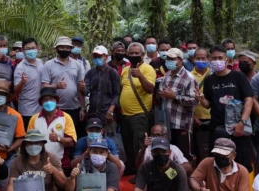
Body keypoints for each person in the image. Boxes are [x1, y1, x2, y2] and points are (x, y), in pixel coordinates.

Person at [200, 47, 256, 172]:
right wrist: (201, 99)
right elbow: (208, 105)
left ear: (227, 60)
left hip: (237, 127)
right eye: (214, 58)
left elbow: (249, 99)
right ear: (209, 60)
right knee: (219, 163)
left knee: (241, 164)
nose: (217, 61)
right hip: (217, 127)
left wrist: (242, 122)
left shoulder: (238, 76)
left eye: (220, 58)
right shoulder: (209, 80)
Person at [155, 47, 198, 161]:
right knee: (169, 155)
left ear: (180, 60)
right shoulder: (167, 75)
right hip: (167, 122)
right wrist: (161, 95)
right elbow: (163, 96)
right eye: (168, 58)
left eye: (172, 59)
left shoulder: (189, 78)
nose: (169, 61)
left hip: (181, 123)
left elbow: (194, 101)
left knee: (183, 156)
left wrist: (175, 97)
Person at [119, 42, 156, 174]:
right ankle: (131, 169)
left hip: (139, 115)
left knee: (139, 146)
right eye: (131, 53)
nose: (134, 55)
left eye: (137, 53)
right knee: (128, 145)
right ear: (127, 54)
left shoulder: (148, 69)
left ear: (142, 54)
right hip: (125, 115)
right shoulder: (125, 70)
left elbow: (151, 89)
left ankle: (141, 173)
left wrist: (140, 75)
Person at [43, 36, 87, 136]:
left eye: (67, 47)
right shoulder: (48, 65)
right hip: (55, 108)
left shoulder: (77, 65)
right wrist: (56, 85)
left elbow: (79, 88)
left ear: (70, 49)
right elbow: (44, 87)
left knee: (71, 136)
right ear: (57, 48)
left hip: (74, 108)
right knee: (56, 135)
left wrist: (82, 108)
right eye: (62, 47)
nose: (65, 49)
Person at [30, 86, 77, 167]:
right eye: (45, 100)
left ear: (56, 100)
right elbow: (29, 142)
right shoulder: (34, 119)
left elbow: (71, 142)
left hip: (61, 164)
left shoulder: (66, 117)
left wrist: (58, 139)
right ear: (41, 102)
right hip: (40, 164)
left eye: (51, 99)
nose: (48, 102)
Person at [84, 45, 120, 129]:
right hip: (93, 112)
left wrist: (111, 110)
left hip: (107, 112)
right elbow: (86, 91)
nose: (97, 58)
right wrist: (83, 88)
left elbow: (117, 94)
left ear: (106, 57)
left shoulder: (112, 73)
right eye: (95, 56)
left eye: (99, 56)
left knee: (108, 134)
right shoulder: (90, 73)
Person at [13, 38, 46, 123]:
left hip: (41, 109)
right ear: (23, 51)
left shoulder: (40, 62)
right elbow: (16, 90)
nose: (31, 51)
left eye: (33, 48)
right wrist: (22, 82)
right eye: (28, 49)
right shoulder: (20, 68)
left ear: (37, 48)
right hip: (27, 111)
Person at [190, 46, 211, 163]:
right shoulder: (189, 76)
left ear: (208, 59)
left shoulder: (213, 74)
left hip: (212, 117)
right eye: (198, 58)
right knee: (198, 150)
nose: (200, 60)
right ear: (193, 59)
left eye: (203, 58)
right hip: (196, 118)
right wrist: (193, 117)